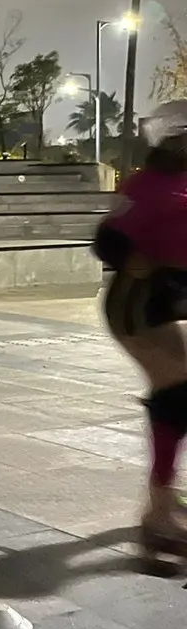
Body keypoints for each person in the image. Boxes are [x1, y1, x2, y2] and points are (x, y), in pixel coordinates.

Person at [93, 99, 187, 564]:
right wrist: (140, 262)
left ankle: (162, 506)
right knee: (177, 395)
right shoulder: (150, 186)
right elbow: (106, 239)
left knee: (178, 394)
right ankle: (158, 515)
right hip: (137, 303)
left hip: (164, 301)